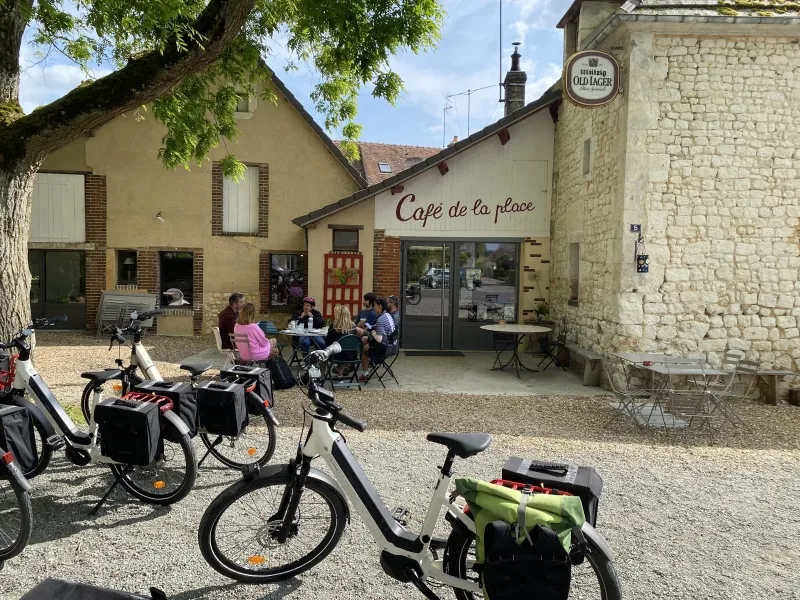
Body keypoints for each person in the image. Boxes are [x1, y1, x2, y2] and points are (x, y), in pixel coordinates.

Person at [360, 297, 397, 381]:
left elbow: (379, 339)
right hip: (393, 346)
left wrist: (373, 332)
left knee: (364, 349)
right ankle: (370, 361)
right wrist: (372, 327)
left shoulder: (381, 319)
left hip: (385, 348)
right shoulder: (388, 315)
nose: (373, 308)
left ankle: (365, 374)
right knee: (364, 339)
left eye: (375, 305)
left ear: (380, 306)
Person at [326, 305, 359, 374]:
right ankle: (339, 376)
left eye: (335, 313)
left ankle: (322, 376)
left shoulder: (334, 326)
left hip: (336, 356)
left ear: (338, 315)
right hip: (352, 356)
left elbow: (328, 343)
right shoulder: (353, 326)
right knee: (343, 350)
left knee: (322, 354)